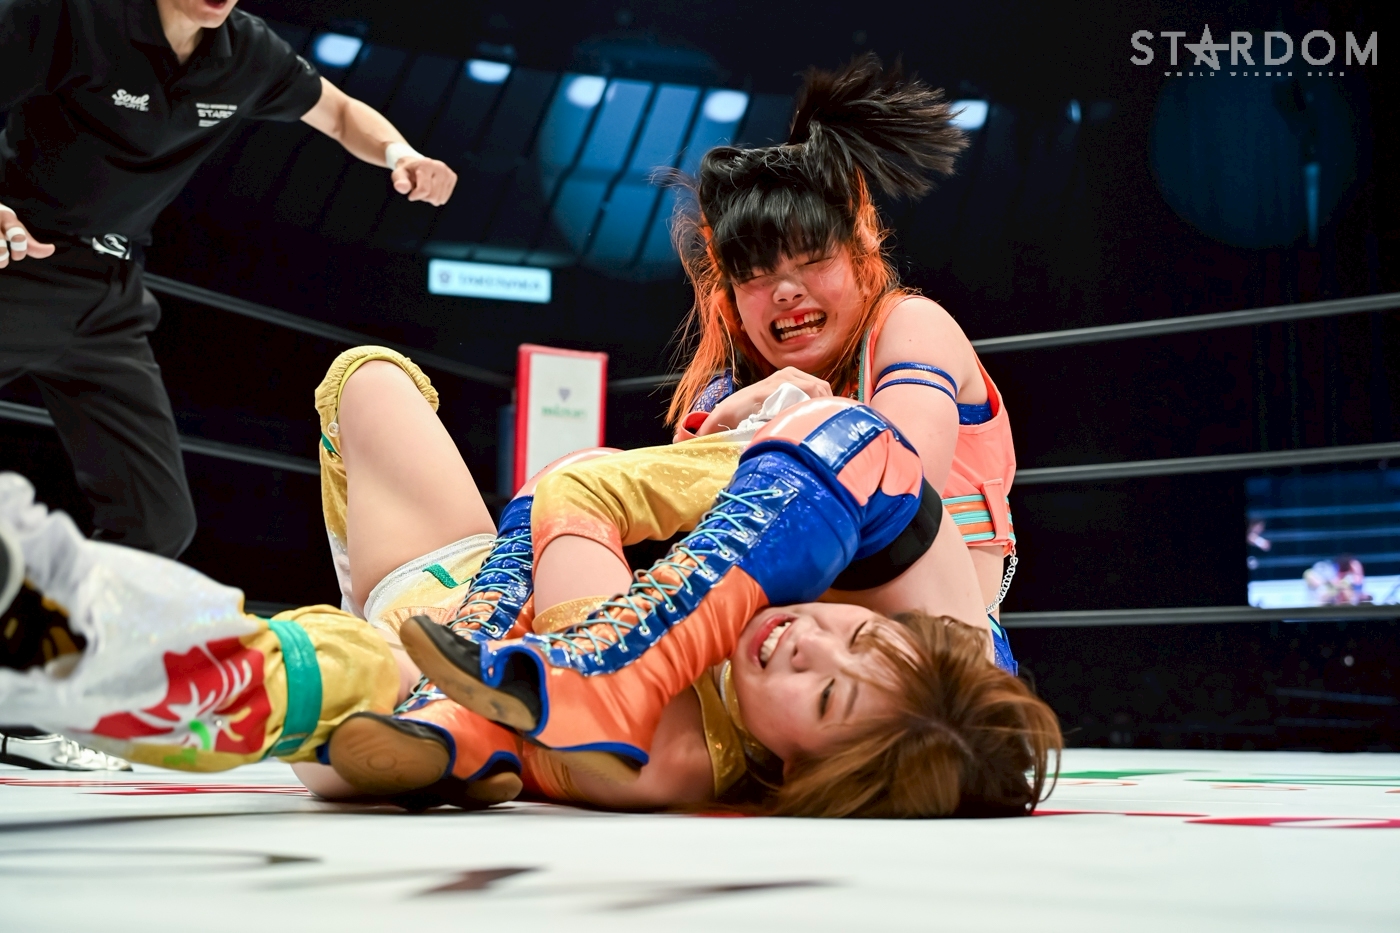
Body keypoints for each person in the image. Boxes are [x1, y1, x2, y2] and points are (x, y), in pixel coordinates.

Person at [0, 346, 1059, 817]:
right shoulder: (806, 628)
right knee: (367, 379)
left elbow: (566, 494)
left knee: (340, 680)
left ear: (799, 775)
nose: (807, 642)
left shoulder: (674, 754)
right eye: (854, 637)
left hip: (426, 645)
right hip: (466, 580)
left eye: (824, 696)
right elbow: (557, 508)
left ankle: (62, 637)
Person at [0, 0, 457, 770]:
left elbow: (340, 113)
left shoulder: (244, 52)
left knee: (156, 519)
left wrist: (398, 153)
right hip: (19, 262)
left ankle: (32, 707)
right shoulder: (75, 16)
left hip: (111, 294)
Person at [661, 55, 1018, 626]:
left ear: (861, 252)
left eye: (811, 261)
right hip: (783, 653)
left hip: (935, 657)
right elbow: (674, 535)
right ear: (730, 297)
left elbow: (896, 496)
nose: (785, 292)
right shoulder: (732, 391)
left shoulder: (911, 326)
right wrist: (728, 415)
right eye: (755, 276)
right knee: (563, 492)